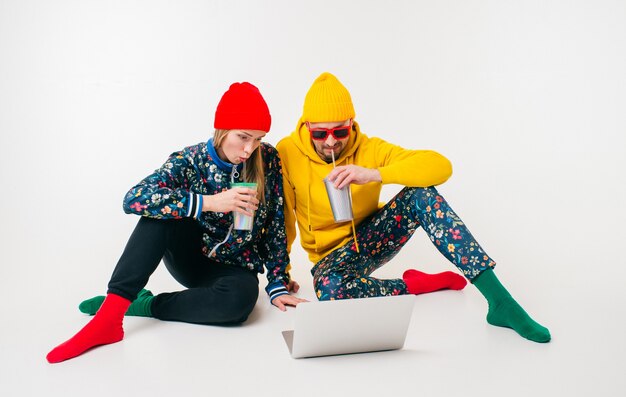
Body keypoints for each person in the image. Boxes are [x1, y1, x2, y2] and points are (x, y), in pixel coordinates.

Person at [275, 72, 550, 343]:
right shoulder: (287, 152)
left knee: (422, 194)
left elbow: (441, 166)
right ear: (307, 125)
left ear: (351, 123)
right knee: (329, 291)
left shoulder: (370, 149)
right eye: (320, 133)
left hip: (373, 239)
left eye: (340, 131)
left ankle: (500, 301)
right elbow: (283, 216)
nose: (331, 141)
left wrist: (373, 173)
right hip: (330, 259)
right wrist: (282, 273)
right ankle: (415, 284)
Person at [47, 82, 304, 363]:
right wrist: (209, 202)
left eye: (257, 138)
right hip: (190, 258)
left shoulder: (267, 159)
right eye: (243, 137)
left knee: (241, 304)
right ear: (221, 130)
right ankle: (111, 315)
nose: (249, 148)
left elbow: (276, 224)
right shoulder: (189, 160)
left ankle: (144, 304)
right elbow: (133, 198)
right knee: (159, 213)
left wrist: (277, 282)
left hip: (235, 269)